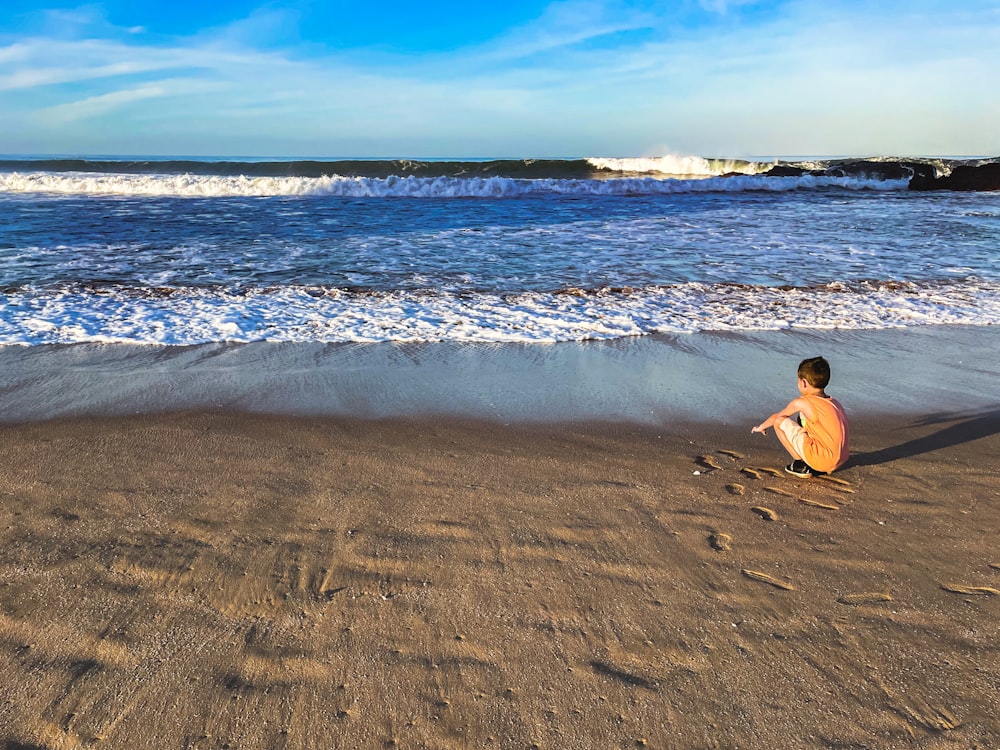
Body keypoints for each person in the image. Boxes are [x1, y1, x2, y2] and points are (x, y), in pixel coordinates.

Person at [751, 356, 849, 477]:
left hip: (822, 460)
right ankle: (817, 463)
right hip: (841, 460)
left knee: (779, 422)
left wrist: (761, 427)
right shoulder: (835, 403)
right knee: (803, 418)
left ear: (803, 383)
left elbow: (777, 417)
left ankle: (800, 464)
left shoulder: (803, 402)